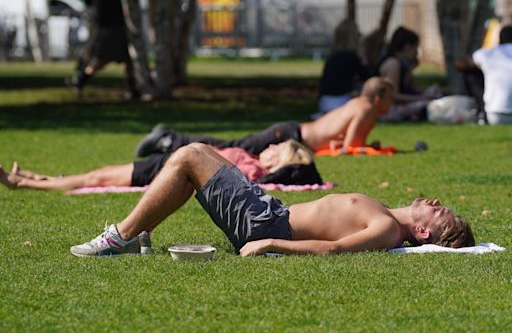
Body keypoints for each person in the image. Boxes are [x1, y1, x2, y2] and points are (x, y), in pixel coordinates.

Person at [69, 142, 475, 257]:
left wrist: (270, 243)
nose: (436, 201)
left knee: (190, 157)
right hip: (269, 209)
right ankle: (142, 225)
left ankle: (121, 236)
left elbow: (333, 249)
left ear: (422, 231)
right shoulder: (385, 215)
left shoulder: (387, 228)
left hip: (266, 225)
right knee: (202, 151)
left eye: (439, 212)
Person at [135, 77, 394, 158]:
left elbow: (341, 143)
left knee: (233, 148)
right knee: (232, 149)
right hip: (290, 138)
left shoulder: (357, 102)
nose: (392, 105)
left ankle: (171, 140)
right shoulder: (366, 109)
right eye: (391, 99)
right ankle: (170, 140)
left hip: (292, 134)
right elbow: (352, 147)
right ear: (379, 98)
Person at [0, 140, 319, 191]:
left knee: (96, 177)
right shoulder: (251, 161)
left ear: (280, 160)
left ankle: (24, 183)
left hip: (169, 169)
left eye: (276, 148)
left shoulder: (252, 172)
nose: (270, 146)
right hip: (170, 161)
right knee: (94, 175)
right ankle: (35, 177)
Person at [67, 0, 139, 100]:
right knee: (105, 58)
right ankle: (81, 80)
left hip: (112, 24)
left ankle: (132, 89)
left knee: (127, 58)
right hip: (109, 25)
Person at [377, 26, 441, 122]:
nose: (416, 52)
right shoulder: (393, 64)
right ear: (407, 47)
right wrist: (422, 97)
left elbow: (411, 88)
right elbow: (394, 96)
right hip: (389, 110)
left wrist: (429, 91)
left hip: (398, 107)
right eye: (415, 47)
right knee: (429, 104)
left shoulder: (403, 64)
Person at [461, 25, 512, 125]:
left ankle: (480, 112)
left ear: (500, 39)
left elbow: (461, 64)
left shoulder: (488, 54)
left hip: (496, 115)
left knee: (472, 73)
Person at [316, 49, 368, 116]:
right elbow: (365, 77)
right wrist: (365, 65)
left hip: (324, 102)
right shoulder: (353, 58)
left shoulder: (333, 59)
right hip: (340, 102)